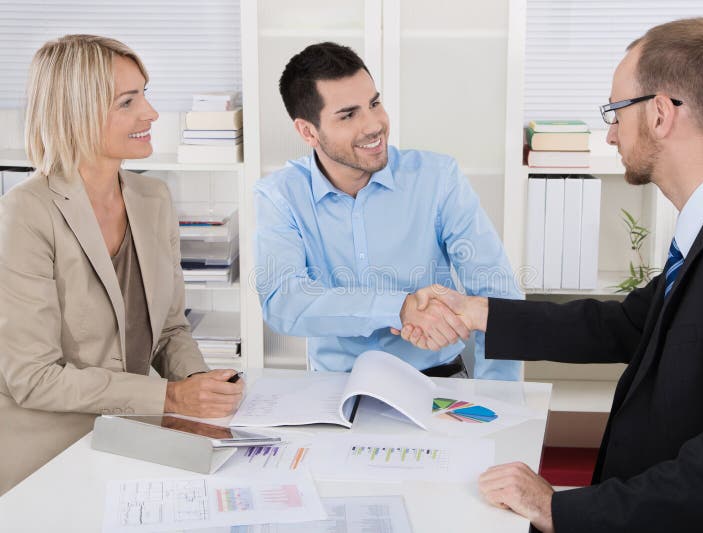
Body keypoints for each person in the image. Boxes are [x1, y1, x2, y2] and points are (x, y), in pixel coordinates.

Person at [403, 18, 703, 532]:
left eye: (615, 111)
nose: (610, 132)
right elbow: (625, 325)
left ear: (659, 114)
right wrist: (475, 311)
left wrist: (560, 509)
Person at [0, 35, 244, 495]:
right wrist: (169, 397)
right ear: (77, 111)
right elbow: (33, 379)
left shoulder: (153, 198)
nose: (150, 113)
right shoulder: (26, 212)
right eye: (127, 102)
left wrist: (198, 383)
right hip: (44, 454)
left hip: (128, 436)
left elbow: (170, 329)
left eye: (145, 94)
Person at [253, 42, 521, 380]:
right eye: (349, 115)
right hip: (334, 385)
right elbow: (284, 302)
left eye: (374, 103)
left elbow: (497, 293)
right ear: (308, 131)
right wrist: (399, 308)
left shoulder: (438, 178)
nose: (373, 125)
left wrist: (498, 397)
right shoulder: (280, 196)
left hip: (438, 378)